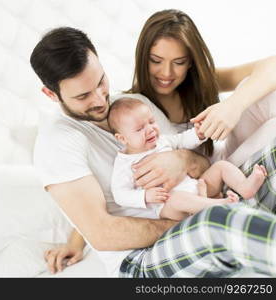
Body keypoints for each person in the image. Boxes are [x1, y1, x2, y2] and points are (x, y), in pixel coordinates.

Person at [30, 22, 276, 277]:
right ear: (51, 94)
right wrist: (190, 215)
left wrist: (182, 160)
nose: (99, 98)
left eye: (101, 82)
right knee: (220, 219)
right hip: (142, 257)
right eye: (83, 96)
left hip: (201, 197)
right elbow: (103, 233)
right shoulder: (58, 142)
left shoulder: (134, 105)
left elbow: (199, 164)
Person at [109, 97, 268, 221]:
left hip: (197, 186)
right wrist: (144, 196)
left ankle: (245, 187)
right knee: (176, 198)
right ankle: (217, 205)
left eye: (151, 122)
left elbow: (181, 140)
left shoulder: (162, 141)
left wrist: (197, 134)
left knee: (220, 166)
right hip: (169, 206)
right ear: (122, 138)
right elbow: (120, 194)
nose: (150, 129)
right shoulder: (125, 164)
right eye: (139, 129)